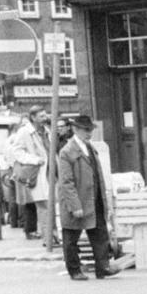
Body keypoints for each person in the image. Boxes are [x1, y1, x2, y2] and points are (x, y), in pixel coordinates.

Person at [57, 115, 119, 281]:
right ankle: (74, 270)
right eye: (86, 130)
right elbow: (66, 182)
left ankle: (103, 267)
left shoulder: (89, 147)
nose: (89, 133)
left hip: (94, 197)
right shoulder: (67, 151)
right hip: (78, 200)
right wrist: (75, 205)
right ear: (76, 130)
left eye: (90, 130)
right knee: (71, 237)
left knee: (100, 234)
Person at [11, 105, 55, 243]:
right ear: (33, 118)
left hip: (52, 171)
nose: (45, 118)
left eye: (45, 115)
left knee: (53, 205)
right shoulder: (25, 132)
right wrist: (34, 160)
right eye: (41, 116)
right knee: (44, 206)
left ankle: (54, 236)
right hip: (38, 172)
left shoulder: (47, 129)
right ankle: (48, 239)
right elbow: (17, 151)